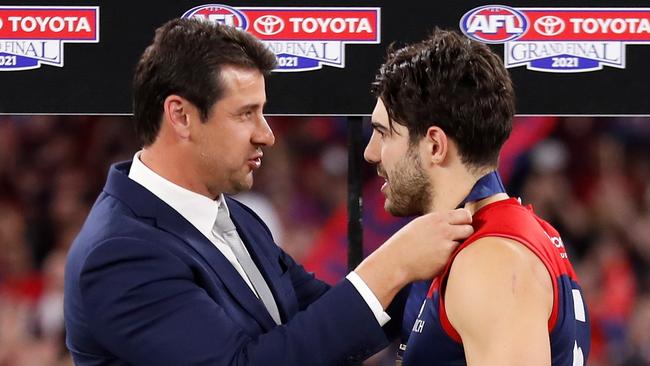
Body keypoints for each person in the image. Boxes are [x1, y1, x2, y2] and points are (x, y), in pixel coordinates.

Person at [63, 18, 475, 366]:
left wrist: (458, 268)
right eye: (246, 114)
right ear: (181, 116)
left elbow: (322, 321)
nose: (267, 134)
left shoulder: (231, 215)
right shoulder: (120, 254)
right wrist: (393, 264)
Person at [364, 29, 591, 365]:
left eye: (383, 133)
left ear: (435, 146)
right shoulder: (508, 236)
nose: (371, 153)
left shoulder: (491, 263)